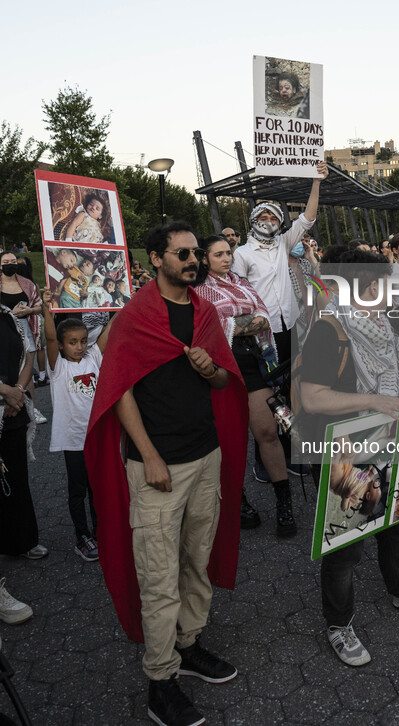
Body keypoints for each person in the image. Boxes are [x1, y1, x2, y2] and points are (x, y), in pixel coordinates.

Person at [85, 221, 248, 726]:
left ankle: (189, 643)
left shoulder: (203, 312)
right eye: (182, 254)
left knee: (196, 559)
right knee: (159, 578)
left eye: (196, 253)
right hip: (157, 466)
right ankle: (161, 680)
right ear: (156, 258)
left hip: (205, 457)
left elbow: (224, 378)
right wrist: (148, 455)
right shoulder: (134, 317)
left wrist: (209, 369)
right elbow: (119, 390)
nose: (193, 261)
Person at [300, 249, 399, 667]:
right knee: (347, 542)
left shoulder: (382, 324)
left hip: (389, 438)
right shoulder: (329, 331)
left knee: (397, 521)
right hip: (346, 449)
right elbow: (312, 398)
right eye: (384, 285)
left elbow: (398, 369)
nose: (392, 293)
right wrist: (375, 400)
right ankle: (339, 624)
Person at [194, 235, 296, 535]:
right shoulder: (198, 291)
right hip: (220, 365)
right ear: (205, 258)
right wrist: (244, 322)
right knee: (228, 438)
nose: (226, 258)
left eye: (228, 253)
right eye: (219, 254)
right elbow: (209, 326)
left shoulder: (242, 281)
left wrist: (236, 324)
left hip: (253, 362)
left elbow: (264, 317)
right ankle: (239, 501)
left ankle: (284, 504)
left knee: (267, 431)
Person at [42, 290, 114, 561]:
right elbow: (49, 336)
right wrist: (47, 309)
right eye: (72, 342)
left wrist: (121, 301)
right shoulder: (58, 367)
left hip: (96, 436)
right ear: (61, 345)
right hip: (74, 440)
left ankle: (101, 530)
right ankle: (82, 535)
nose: (80, 346)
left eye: (83, 341)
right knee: (78, 490)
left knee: (97, 486)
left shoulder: (93, 359)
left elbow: (108, 330)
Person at [232, 162, 327, 363]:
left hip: (289, 322)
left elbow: (307, 219)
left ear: (280, 224)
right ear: (253, 221)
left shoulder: (283, 243)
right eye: (263, 217)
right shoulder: (242, 254)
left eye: (274, 219)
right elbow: (240, 295)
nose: (268, 221)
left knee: (291, 371)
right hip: (262, 327)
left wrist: (316, 183)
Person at [0, 300, 48, 560]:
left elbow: (28, 357)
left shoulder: (9, 317)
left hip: (14, 410)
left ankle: (24, 540)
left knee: (17, 478)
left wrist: (16, 392)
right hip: (6, 400)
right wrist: (4, 392)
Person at [0, 251, 47, 424]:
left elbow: (39, 307)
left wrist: (29, 311)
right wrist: (8, 314)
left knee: (27, 366)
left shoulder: (27, 284)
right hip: (4, 330)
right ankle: (8, 401)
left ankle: (32, 407)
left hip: (25, 327)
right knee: (6, 365)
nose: (10, 264)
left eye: (13, 261)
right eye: (6, 261)